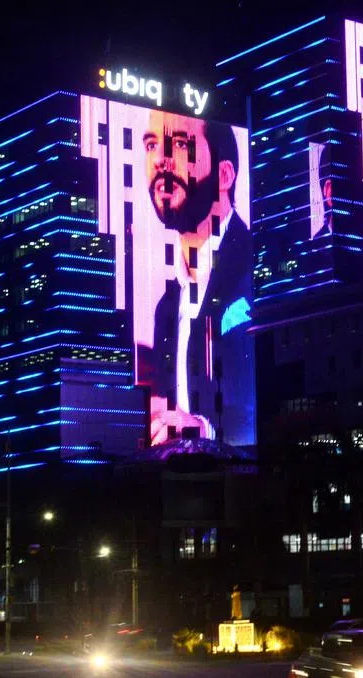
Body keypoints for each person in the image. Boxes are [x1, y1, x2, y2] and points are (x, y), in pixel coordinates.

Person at [135, 109, 253, 446]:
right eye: (152, 146)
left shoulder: (255, 268)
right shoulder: (166, 308)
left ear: (224, 174)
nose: (161, 160)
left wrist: (204, 431)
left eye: (182, 145)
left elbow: (265, 403)